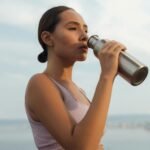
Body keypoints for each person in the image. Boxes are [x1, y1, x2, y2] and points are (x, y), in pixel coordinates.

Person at [25, 5, 126, 150]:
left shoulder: (79, 91)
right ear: (48, 38)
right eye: (73, 28)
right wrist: (107, 76)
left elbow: (95, 143)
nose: (85, 36)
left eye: (85, 30)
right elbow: (81, 146)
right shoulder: (40, 83)